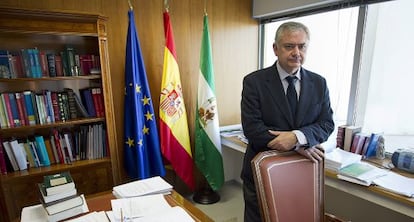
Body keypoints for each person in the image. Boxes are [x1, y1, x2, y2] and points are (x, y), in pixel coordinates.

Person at [240, 21, 334, 221]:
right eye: (289, 46)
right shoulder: (254, 82)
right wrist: (296, 145)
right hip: (262, 169)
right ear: (275, 49)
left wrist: (297, 138)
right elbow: (252, 128)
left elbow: (326, 124)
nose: (296, 52)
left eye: (302, 46)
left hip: (302, 171)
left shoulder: (319, 83)